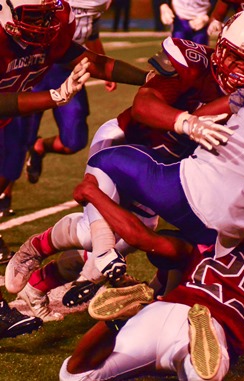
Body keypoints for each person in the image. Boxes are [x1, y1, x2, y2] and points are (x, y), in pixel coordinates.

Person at [7, 10, 244, 317]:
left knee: (108, 251)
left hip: (163, 171)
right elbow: (142, 106)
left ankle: (38, 284)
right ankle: (35, 248)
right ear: (220, 47)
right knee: (93, 236)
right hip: (124, 144)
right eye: (235, 57)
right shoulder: (191, 60)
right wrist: (186, 122)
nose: (240, 70)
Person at [0, 0, 152, 333]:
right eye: (33, 16)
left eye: (46, 15)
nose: (42, 24)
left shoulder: (48, 34)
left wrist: (149, 78)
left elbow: (92, 62)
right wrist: (52, 97)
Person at [57, 176, 244, 380]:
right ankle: (199, 347)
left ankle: (113, 323)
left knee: (75, 375)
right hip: (212, 322)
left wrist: (94, 194)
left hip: (163, 310)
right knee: (206, 375)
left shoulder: (205, 250)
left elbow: (145, 239)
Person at [25, 0, 116, 187]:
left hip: (70, 72)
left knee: (74, 141)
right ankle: (5, 194)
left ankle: (40, 147)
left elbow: (92, 35)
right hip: (34, 67)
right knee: (18, 136)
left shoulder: (96, 5)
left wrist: (105, 68)